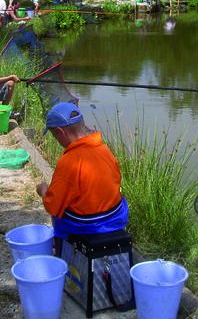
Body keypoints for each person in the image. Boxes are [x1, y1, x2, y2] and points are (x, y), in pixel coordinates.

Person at [36, 102, 129, 249]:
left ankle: (62, 253)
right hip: (114, 218)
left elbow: (52, 206)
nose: (57, 141)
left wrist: (43, 190)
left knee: (58, 214)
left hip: (86, 226)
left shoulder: (68, 161)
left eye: (55, 136)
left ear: (61, 132)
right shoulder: (105, 150)